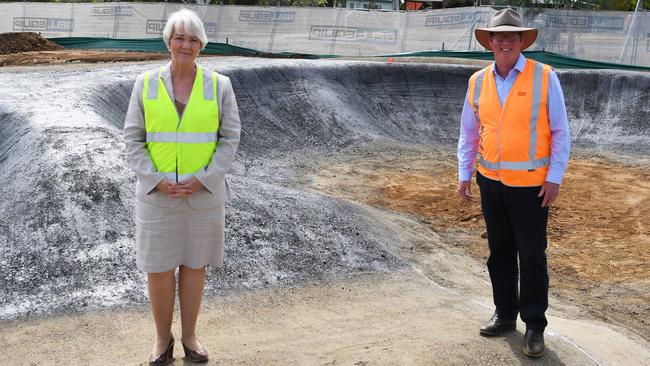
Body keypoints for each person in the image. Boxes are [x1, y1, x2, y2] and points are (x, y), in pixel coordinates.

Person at [123, 8, 241, 365]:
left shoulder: (219, 86)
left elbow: (230, 137)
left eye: (193, 39)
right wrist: (154, 180)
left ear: (201, 45)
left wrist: (205, 178)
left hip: (202, 197)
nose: (185, 45)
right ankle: (163, 340)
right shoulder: (145, 84)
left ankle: (190, 335)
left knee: (194, 267)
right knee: (158, 269)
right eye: (179, 38)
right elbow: (133, 138)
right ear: (168, 42)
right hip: (157, 198)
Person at [456, 8, 570, 358]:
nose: (505, 41)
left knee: (532, 256)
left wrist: (554, 177)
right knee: (499, 255)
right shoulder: (478, 82)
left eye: (512, 36)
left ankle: (534, 325)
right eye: (499, 36)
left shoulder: (544, 77)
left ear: (522, 41)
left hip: (531, 188)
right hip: (491, 183)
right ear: (490, 42)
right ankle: (504, 315)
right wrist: (464, 173)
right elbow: (469, 131)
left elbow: (560, 131)